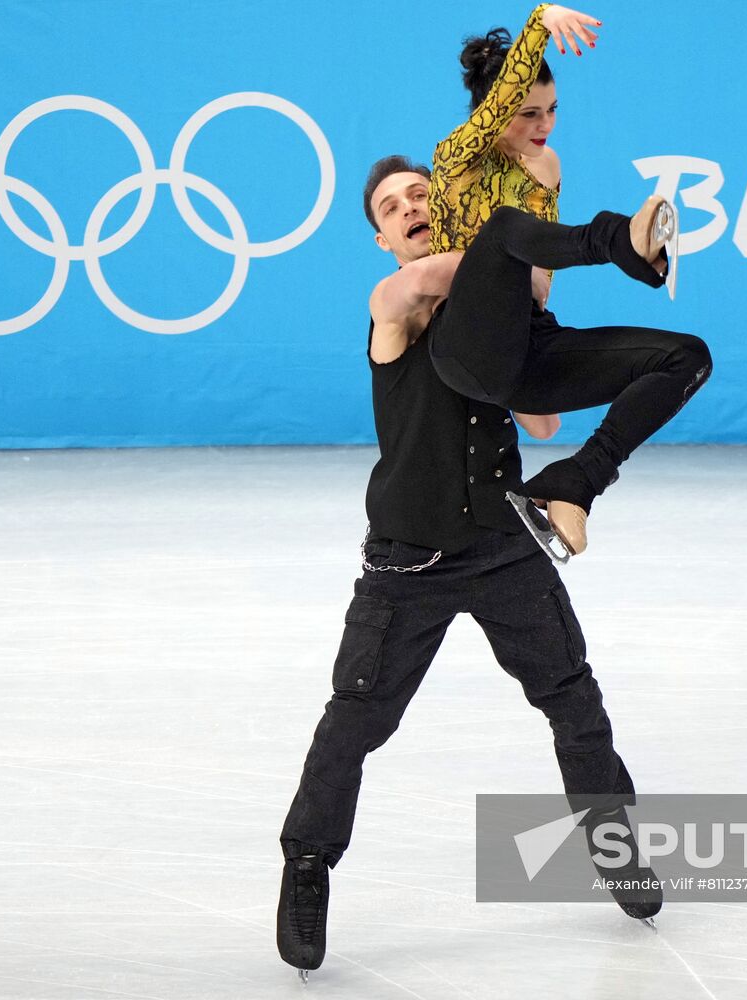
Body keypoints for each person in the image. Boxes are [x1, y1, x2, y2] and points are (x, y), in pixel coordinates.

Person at [275, 156, 671, 982]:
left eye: (422, 193)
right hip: (406, 561)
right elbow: (432, 280)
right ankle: (308, 866)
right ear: (381, 237)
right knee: (355, 723)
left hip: (502, 546)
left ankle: (613, 841)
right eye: (393, 207)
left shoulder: (484, 312)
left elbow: (545, 414)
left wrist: (518, 317)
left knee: (574, 701)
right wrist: (513, 251)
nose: (411, 206)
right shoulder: (393, 303)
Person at [428, 3, 711, 557]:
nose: (544, 125)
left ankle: (576, 484)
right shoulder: (455, 157)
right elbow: (512, 243)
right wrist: (539, 21)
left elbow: (541, 277)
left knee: (686, 356)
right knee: (506, 226)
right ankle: (623, 243)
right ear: (494, 108)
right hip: (463, 338)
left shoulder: (546, 167)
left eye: (552, 110)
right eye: (527, 113)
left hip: (524, 346)